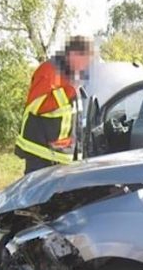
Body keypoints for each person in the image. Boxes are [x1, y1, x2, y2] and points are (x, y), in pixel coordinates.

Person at [15, 35, 94, 174]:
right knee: (39, 195)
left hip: (60, 156)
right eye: (85, 61)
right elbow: (35, 106)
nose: (86, 66)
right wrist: (69, 90)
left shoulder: (71, 74)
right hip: (42, 154)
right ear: (74, 54)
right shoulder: (49, 70)